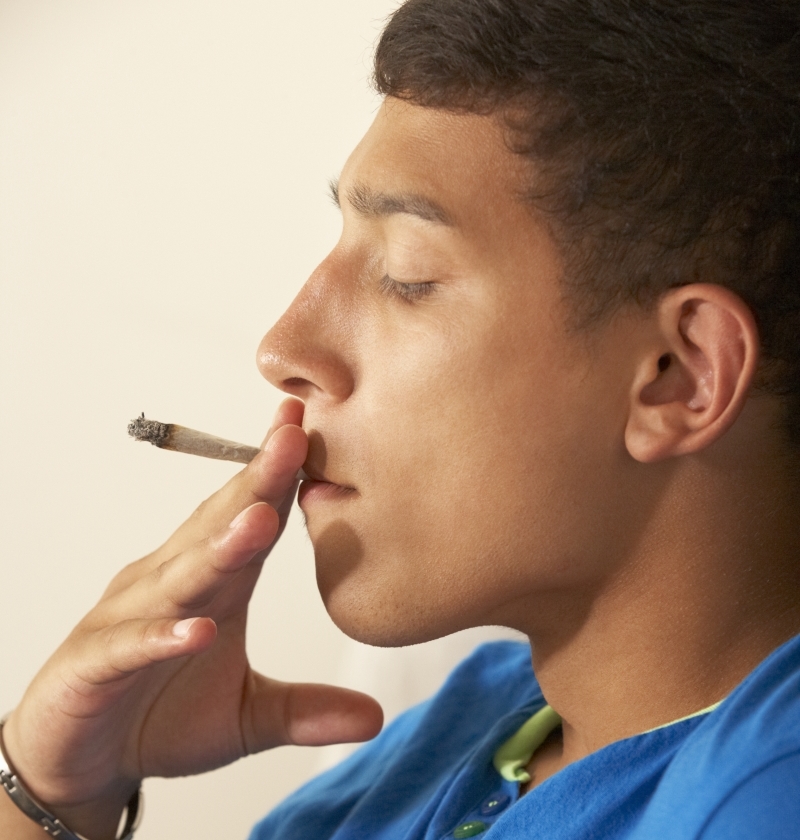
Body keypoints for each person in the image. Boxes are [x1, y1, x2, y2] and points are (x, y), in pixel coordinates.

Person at [2, 0, 800, 837]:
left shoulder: (767, 792)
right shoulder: (455, 736)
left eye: (407, 275)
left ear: (679, 376)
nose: (283, 347)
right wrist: (52, 785)